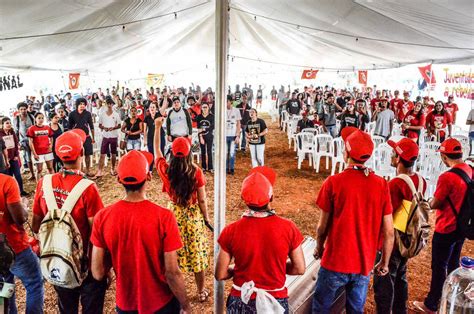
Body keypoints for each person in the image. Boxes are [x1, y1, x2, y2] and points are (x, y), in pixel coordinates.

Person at [90, 150, 192, 313]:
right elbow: (172, 273)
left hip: (125, 303)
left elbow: (97, 272)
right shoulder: (164, 217)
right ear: (149, 177)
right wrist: (186, 306)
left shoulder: (102, 217)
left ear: (118, 179)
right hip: (161, 304)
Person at [312, 127, 394, 313]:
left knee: (321, 307)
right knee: (356, 309)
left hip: (334, 260)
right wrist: (385, 262)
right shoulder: (381, 184)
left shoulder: (333, 182)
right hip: (363, 263)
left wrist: (319, 247)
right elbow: (389, 231)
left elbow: (321, 227)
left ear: (347, 152)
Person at [32, 129, 107, 314]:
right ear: (81, 153)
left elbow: (35, 225)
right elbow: (98, 233)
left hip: (58, 260)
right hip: (86, 264)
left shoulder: (44, 183)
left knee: (66, 308)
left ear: (57, 155)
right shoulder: (88, 188)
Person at [215, 168, 305, 313]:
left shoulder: (230, 231)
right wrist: (277, 267)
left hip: (241, 300)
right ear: (271, 197)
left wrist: (235, 268)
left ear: (244, 200)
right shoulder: (289, 228)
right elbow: (299, 268)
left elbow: (220, 273)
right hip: (275, 301)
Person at [154, 117, 211, 302]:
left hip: (174, 214)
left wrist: (156, 128)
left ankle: (173, 291)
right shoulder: (196, 171)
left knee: (172, 254)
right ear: (188, 152)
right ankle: (201, 291)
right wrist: (207, 219)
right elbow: (202, 199)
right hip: (193, 214)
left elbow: (156, 152)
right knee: (196, 253)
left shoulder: (167, 170)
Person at [413, 138, 472, 313]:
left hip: (446, 227)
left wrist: (428, 202)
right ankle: (453, 297)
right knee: (454, 263)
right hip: (462, 226)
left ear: (444, 157)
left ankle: (432, 303)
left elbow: (436, 203)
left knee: (439, 266)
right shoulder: (469, 169)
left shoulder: (447, 177)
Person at [374, 138, 426, 314]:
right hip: (408, 238)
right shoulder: (420, 180)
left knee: (384, 285)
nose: (391, 154)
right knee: (401, 278)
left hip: (392, 242)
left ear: (398, 158)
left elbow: (385, 214)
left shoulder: (395, 184)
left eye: (394, 153)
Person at [0, 173, 44, 314]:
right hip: (14, 246)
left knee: (4, 286)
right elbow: (20, 218)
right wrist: (24, 204)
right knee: (34, 283)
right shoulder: (6, 182)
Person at [68, 98, 96, 177]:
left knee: (88, 154)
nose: (82, 106)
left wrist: (93, 138)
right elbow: (69, 128)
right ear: (77, 105)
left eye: (84, 104)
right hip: (76, 138)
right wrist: (71, 138)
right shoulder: (72, 114)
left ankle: (87, 171)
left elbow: (91, 126)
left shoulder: (88, 114)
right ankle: (80, 171)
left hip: (86, 137)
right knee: (78, 155)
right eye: (80, 104)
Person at [0, 118, 27, 196]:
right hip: (4, 159)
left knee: (18, 175)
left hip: (13, 157)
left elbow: (16, 143)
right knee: (9, 176)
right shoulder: (0, 134)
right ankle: (10, 192)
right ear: (2, 124)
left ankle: (21, 190)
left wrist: (16, 155)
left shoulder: (12, 132)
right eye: (7, 123)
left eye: (10, 123)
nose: (9, 125)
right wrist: (4, 158)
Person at [96, 98, 121, 176]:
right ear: (106, 104)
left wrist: (113, 128)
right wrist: (104, 128)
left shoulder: (116, 114)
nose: (109, 105)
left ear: (112, 105)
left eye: (111, 104)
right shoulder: (102, 114)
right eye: (108, 104)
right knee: (102, 154)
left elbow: (119, 125)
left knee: (113, 154)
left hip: (114, 136)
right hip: (105, 136)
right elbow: (99, 125)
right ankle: (100, 171)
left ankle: (112, 169)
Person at [27, 112, 54, 179]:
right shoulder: (31, 129)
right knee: (39, 170)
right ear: (35, 119)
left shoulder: (47, 127)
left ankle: (53, 183)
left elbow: (51, 137)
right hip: (38, 152)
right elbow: (30, 142)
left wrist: (51, 146)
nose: (41, 119)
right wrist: (34, 153)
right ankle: (38, 187)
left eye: (42, 118)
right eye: (39, 118)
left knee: (50, 168)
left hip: (48, 151)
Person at [13, 102, 35, 180]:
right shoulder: (16, 119)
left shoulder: (31, 116)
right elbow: (16, 131)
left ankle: (38, 171)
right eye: (21, 109)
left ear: (27, 109)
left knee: (37, 156)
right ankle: (32, 174)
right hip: (24, 141)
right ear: (18, 110)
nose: (23, 111)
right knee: (28, 158)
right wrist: (17, 142)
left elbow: (35, 127)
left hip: (34, 140)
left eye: (24, 109)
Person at [196, 103, 215, 172]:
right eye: (203, 107)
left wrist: (205, 129)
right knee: (203, 151)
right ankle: (204, 167)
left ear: (208, 108)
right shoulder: (199, 117)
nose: (204, 109)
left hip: (210, 136)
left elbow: (212, 127)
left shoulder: (212, 117)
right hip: (201, 136)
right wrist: (201, 137)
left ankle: (210, 167)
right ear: (201, 108)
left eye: (206, 107)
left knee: (209, 151)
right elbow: (199, 128)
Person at [225, 95, 241, 175]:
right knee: (225, 152)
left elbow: (238, 124)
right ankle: (225, 168)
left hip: (233, 135)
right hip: (224, 136)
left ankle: (231, 168)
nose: (225, 103)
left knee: (231, 152)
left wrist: (237, 135)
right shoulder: (222, 110)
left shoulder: (236, 110)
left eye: (227, 101)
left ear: (231, 101)